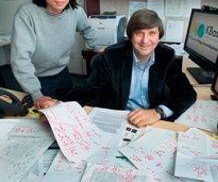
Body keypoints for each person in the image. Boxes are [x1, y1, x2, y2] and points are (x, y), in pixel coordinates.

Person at [59, 9, 197, 127]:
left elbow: (187, 93)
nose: (145, 40)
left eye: (152, 33)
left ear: (159, 36)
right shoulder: (113, 55)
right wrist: (59, 107)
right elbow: (87, 89)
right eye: (139, 33)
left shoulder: (165, 56)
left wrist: (157, 112)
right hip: (119, 119)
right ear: (130, 36)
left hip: (151, 120)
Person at [11, 0, 98, 110]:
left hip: (64, 74)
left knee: (68, 112)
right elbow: (20, 59)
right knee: (44, 123)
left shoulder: (75, 11)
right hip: (38, 80)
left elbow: (88, 29)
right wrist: (36, 94)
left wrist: (100, 48)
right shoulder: (27, 13)